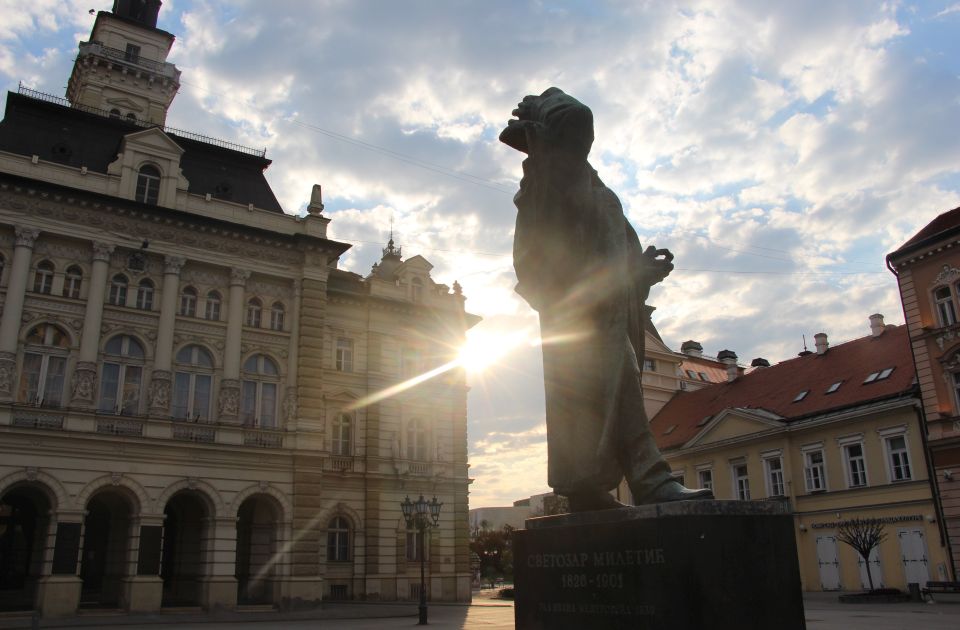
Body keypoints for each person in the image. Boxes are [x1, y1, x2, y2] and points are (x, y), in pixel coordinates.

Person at [500, 87, 713, 511]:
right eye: (573, 136)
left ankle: (585, 491)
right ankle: (648, 480)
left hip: (612, 310)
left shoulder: (596, 188)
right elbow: (533, 265)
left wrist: (640, 272)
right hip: (577, 319)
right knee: (611, 391)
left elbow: (614, 252)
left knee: (603, 399)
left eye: (585, 136)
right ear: (552, 140)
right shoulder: (542, 193)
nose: (582, 144)